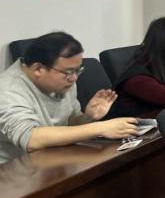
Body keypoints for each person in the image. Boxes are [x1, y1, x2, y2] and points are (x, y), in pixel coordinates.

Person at [0, 32, 138, 164]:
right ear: (38, 69)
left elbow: (68, 124)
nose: (74, 78)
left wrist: (88, 117)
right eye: (69, 72)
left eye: (78, 70)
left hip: (55, 160)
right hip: (14, 171)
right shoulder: (7, 90)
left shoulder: (64, 80)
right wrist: (100, 128)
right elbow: (31, 139)